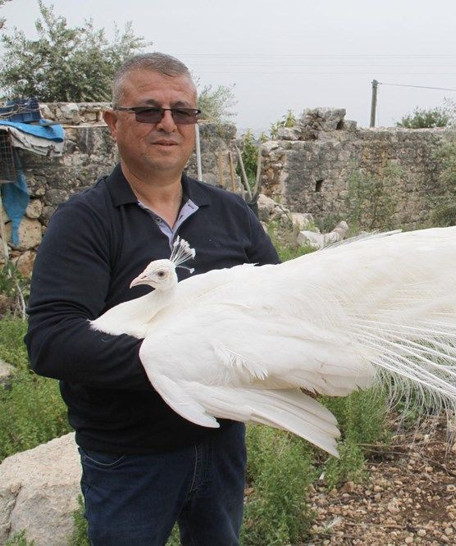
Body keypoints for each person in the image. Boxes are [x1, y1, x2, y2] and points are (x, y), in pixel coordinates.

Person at [25, 52, 279, 545]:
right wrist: (183, 360)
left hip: (220, 440)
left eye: (182, 112)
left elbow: (278, 301)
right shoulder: (84, 221)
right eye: (148, 110)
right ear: (113, 123)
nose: (168, 124)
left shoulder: (231, 212)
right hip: (128, 455)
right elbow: (52, 340)